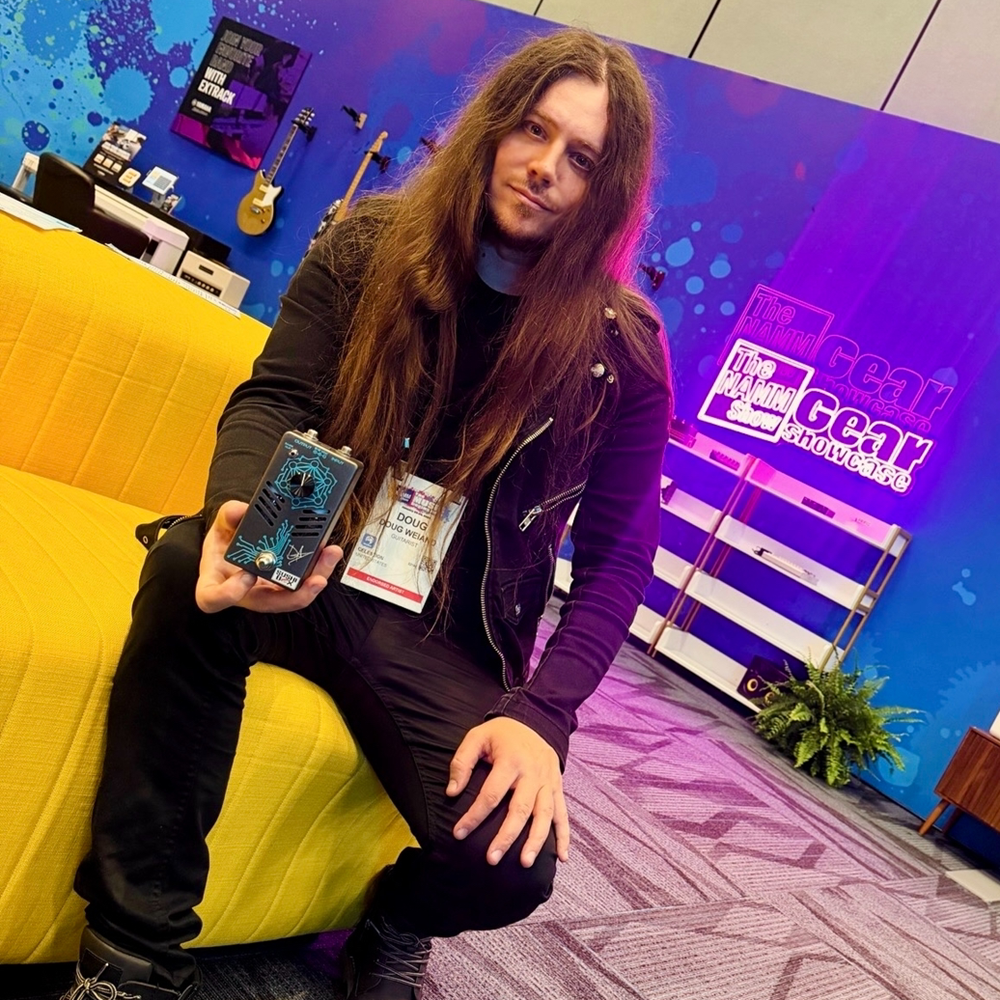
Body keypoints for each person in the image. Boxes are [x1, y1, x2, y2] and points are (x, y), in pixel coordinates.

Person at [63, 26, 671, 1000]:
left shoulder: (622, 350)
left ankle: (395, 920)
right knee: (185, 568)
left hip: (451, 633)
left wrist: (544, 716)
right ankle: (133, 951)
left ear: (608, 190)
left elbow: (618, 558)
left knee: (513, 864)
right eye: (534, 129)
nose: (545, 167)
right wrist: (240, 512)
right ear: (493, 127)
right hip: (316, 544)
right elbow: (277, 397)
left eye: (583, 158)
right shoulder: (368, 245)